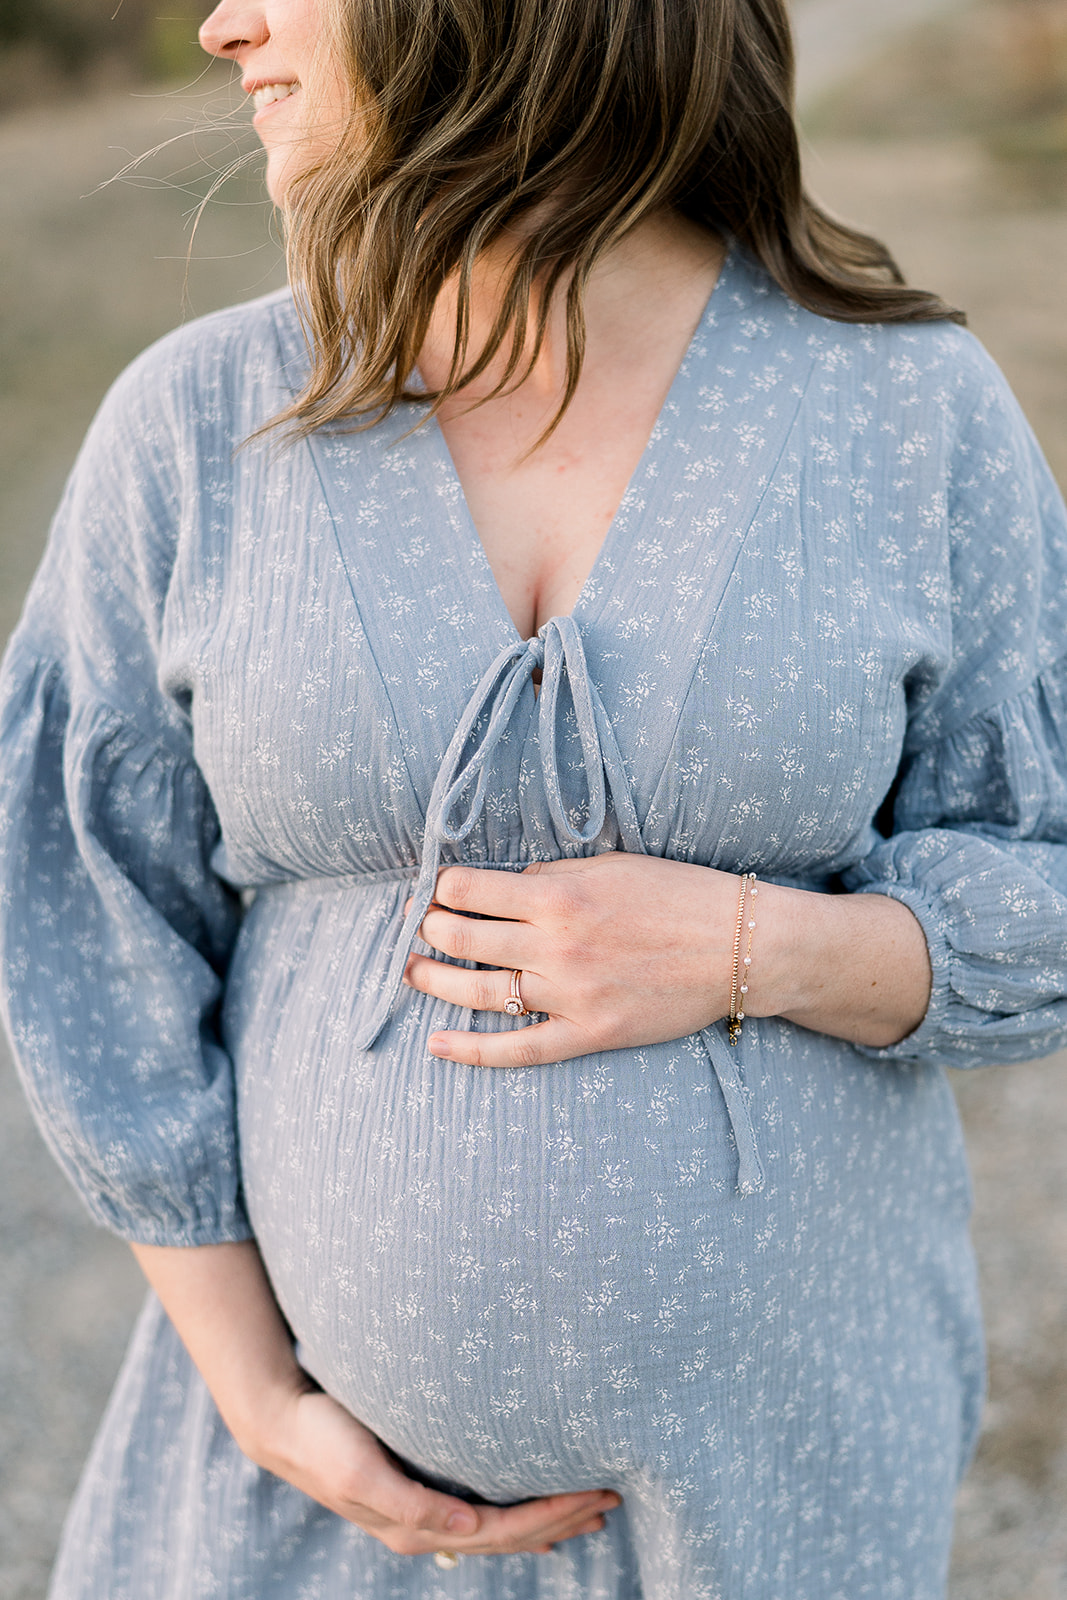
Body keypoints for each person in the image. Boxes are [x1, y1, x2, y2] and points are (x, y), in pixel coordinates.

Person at [2, 0, 1067, 1594]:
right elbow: (82, 919)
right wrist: (257, 1392)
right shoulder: (194, 425)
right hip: (300, 1503)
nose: (224, 26)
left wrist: (753, 951)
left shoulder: (899, 410)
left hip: (783, 1500)